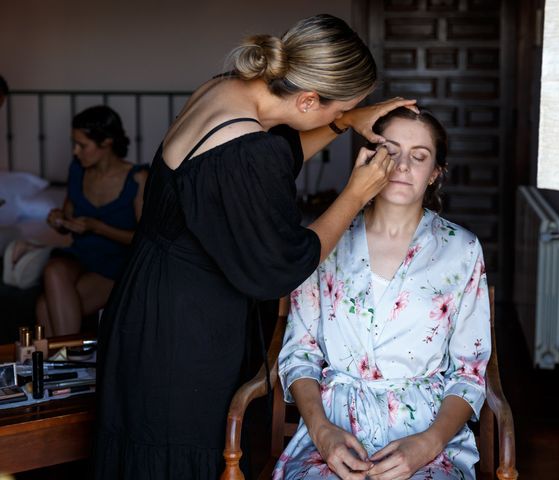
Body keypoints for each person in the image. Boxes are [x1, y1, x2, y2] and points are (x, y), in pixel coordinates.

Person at [93, 14, 416, 480]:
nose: (336, 116)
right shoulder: (247, 149)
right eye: (334, 107)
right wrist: (355, 194)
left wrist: (343, 119)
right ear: (307, 98)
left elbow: (261, 165)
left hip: (145, 301)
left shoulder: (226, 90)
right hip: (183, 329)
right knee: (176, 453)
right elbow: (283, 265)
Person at [274, 107, 491, 480]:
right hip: (333, 427)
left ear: (436, 172)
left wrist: (428, 443)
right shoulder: (326, 239)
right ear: (369, 157)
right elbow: (299, 353)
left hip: (425, 431)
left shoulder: (462, 250)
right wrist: (323, 433)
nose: (403, 165)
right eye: (390, 151)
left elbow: (469, 373)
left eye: (419, 156)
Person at [34, 105, 147, 336]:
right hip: (81, 255)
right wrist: (58, 220)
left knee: (44, 307)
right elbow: (68, 217)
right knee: (54, 269)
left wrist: (97, 227)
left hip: (117, 263)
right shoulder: (78, 169)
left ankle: (62, 364)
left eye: (82, 145)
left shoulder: (138, 178)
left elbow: (146, 238)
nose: (76, 151)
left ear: (106, 142)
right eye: (74, 144)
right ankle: (68, 361)